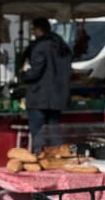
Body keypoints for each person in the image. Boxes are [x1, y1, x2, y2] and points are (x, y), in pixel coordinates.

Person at [20, 17, 72, 153]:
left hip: (39, 97)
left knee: (38, 136)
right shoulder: (62, 45)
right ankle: (58, 160)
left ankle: (39, 160)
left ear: (39, 29)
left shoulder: (40, 46)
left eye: (33, 29)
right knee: (54, 133)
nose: (32, 33)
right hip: (57, 97)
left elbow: (35, 73)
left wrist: (23, 74)